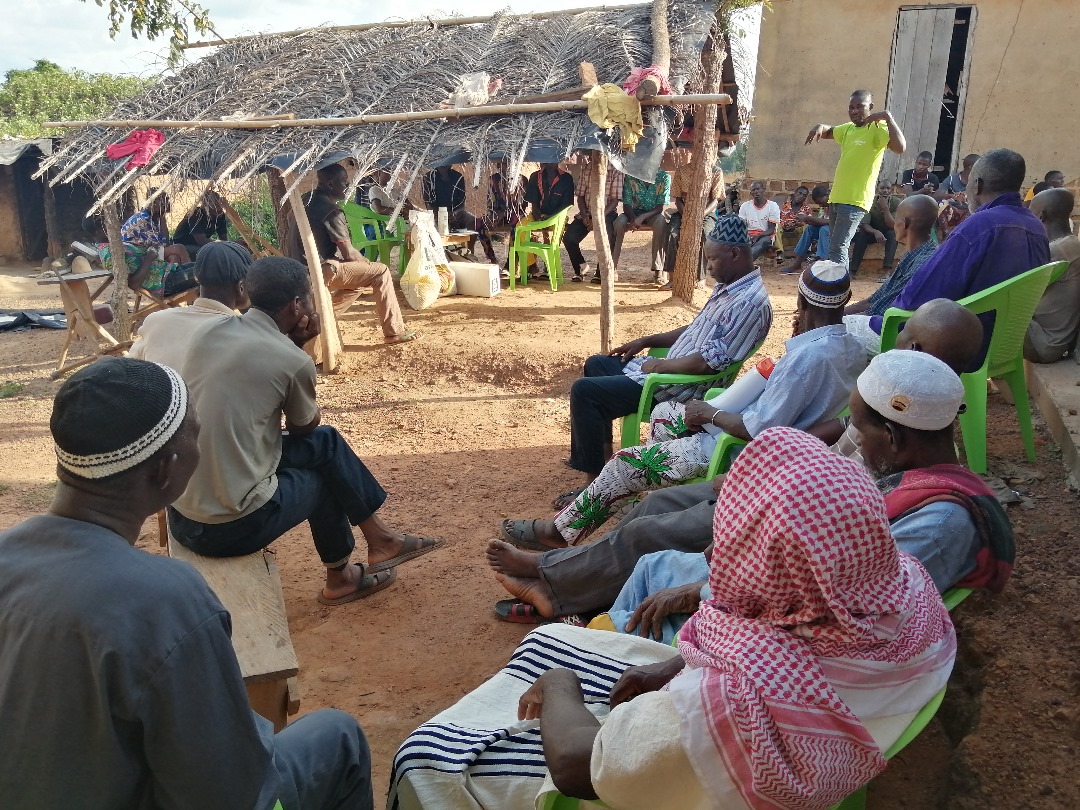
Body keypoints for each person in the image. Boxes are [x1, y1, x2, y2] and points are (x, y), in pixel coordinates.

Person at [391, 427, 956, 810]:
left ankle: (558, 606)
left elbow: (576, 765)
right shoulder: (908, 592)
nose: (722, 549)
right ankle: (562, 591)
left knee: (421, 758)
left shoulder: (730, 706)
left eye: (734, 537)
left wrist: (561, 686)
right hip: (841, 719)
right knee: (638, 579)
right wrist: (670, 671)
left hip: (674, 775)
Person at [0, 357, 373, 809]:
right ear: (165, 469)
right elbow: (229, 791)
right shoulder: (168, 599)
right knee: (339, 736)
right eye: (197, 433)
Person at [486, 298, 986, 623]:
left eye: (903, 338)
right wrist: (766, 466)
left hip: (789, 523)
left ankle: (557, 586)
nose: (892, 342)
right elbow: (835, 435)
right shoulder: (905, 412)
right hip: (787, 487)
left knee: (648, 533)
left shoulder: (930, 504)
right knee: (653, 504)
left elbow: (840, 586)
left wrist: (716, 571)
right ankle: (564, 575)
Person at [603, 350, 1015, 644]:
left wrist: (704, 591)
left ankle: (606, 655)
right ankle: (605, 643)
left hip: (793, 637)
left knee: (620, 624)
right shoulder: (912, 478)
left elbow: (846, 606)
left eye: (858, 427)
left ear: (891, 436)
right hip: (783, 594)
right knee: (653, 566)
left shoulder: (941, 524)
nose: (852, 437)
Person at [500, 259, 864, 550]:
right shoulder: (852, 347)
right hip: (786, 442)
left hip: (739, 450)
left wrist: (712, 413)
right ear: (844, 302)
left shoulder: (806, 360)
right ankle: (648, 499)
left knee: (624, 462)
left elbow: (755, 429)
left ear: (800, 302)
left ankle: (560, 532)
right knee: (664, 414)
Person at [167, 257, 441, 605]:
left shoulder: (210, 331)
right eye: (310, 296)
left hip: (181, 512)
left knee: (326, 445)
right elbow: (303, 426)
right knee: (325, 475)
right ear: (297, 305)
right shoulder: (291, 359)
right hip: (227, 529)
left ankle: (382, 540)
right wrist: (297, 351)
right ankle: (342, 577)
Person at [557, 215, 772, 503]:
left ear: (734, 253)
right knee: (596, 364)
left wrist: (662, 365)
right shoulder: (729, 286)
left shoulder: (750, 303)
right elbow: (696, 329)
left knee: (585, 393)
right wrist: (649, 341)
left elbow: (709, 363)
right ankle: (603, 463)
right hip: (665, 371)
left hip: (681, 385)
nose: (708, 266)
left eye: (712, 259)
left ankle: (595, 487)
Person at [850, 148, 1051, 366]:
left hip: (956, 349)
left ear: (978, 185)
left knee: (836, 327)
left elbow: (916, 300)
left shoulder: (979, 227)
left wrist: (877, 321)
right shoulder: (1036, 228)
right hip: (1003, 347)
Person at [303, 163, 416, 343]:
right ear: (331, 184)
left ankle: (323, 318)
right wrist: (367, 263)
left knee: (359, 280)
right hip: (320, 270)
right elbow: (349, 254)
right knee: (381, 272)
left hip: (299, 268)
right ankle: (394, 332)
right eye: (344, 182)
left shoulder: (305, 199)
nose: (348, 187)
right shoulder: (331, 211)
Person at [805, 89, 907, 266]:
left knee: (839, 248)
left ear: (871, 107)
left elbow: (900, 148)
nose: (854, 111)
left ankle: (838, 289)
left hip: (855, 200)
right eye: (851, 107)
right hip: (837, 198)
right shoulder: (848, 129)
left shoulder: (877, 128)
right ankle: (836, 286)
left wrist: (888, 118)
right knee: (834, 247)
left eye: (860, 106)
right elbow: (830, 131)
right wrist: (820, 126)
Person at [128, 241, 253, 369]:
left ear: (197, 279)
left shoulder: (155, 322)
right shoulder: (249, 338)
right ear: (241, 287)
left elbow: (129, 370)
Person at [845, 193, 938, 317]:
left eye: (896, 218)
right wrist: (838, 315)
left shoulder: (923, 263)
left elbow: (877, 312)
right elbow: (873, 300)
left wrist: (838, 320)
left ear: (905, 224)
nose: (894, 224)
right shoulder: (915, 254)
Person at [660, 141, 726, 289]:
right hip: (683, 210)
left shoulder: (716, 171)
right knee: (672, 234)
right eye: (697, 151)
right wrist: (687, 215)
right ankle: (672, 278)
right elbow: (677, 198)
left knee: (704, 235)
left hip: (706, 213)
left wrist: (699, 215)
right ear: (692, 152)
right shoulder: (682, 170)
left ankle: (700, 277)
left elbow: (715, 200)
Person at [1025, 188, 1080, 363]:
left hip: (1042, 342)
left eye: (1030, 213)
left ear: (1041, 216)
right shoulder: (1071, 245)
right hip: (1051, 341)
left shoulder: (1055, 252)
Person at [563, 152, 623, 282]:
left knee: (608, 236)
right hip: (587, 212)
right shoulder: (587, 168)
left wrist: (598, 217)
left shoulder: (615, 170)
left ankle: (600, 272)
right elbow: (580, 195)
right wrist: (584, 214)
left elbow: (614, 201)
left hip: (606, 213)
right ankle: (580, 268)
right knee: (569, 238)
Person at [421, 165, 497, 263]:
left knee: (475, 223)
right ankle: (444, 259)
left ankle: (474, 255)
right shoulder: (428, 178)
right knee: (439, 231)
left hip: (457, 212)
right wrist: (443, 215)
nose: (444, 165)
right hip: (437, 214)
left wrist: (454, 213)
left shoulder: (458, 177)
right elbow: (428, 203)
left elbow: (461, 200)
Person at [612, 166, 672, 280]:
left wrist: (642, 217)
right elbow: (627, 204)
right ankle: (612, 267)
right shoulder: (631, 176)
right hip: (631, 214)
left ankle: (658, 269)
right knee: (619, 222)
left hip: (652, 214)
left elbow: (660, 208)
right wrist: (634, 219)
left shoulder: (664, 177)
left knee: (661, 222)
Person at [518, 162, 576, 279]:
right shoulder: (535, 176)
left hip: (558, 215)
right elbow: (534, 202)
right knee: (520, 227)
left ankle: (549, 267)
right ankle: (531, 264)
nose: (546, 163)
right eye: (543, 160)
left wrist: (549, 219)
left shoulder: (566, 178)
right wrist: (539, 218)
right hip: (538, 214)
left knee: (556, 234)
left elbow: (566, 205)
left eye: (550, 160)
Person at [849, 180, 902, 278]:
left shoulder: (896, 203)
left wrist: (885, 208)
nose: (885, 191)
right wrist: (875, 232)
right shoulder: (869, 202)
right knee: (862, 235)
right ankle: (853, 270)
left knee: (893, 234)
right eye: (882, 188)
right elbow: (864, 224)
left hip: (888, 230)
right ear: (877, 189)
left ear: (891, 190)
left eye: (888, 188)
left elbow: (892, 225)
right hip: (872, 231)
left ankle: (887, 270)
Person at [777, 184, 831, 274]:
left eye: (820, 202)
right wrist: (808, 221)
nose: (820, 205)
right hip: (829, 228)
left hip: (839, 230)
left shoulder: (836, 204)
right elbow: (821, 220)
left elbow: (831, 222)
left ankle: (822, 262)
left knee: (824, 229)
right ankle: (797, 264)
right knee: (810, 229)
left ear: (827, 194)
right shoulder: (825, 206)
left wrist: (808, 218)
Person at [934, 152, 979, 238]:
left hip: (969, 212)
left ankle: (958, 236)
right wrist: (951, 196)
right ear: (971, 167)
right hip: (953, 212)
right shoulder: (952, 179)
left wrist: (967, 195)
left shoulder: (978, 181)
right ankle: (946, 234)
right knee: (940, 204)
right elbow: (935, 196)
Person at [172, 190, 229, 257]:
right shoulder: (195, 214)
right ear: (205, 205)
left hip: (201, 246)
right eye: (215, 204)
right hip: (183, 246)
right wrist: (223, 244)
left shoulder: (220, 215)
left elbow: (224, 239)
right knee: (212, 252)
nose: (219, 208)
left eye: (219, 204)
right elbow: (202, 241)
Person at [737, 180, 781, 259]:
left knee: (762, 242)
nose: (756, 192)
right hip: (749, 235)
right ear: (751, 193)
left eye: (758, 189)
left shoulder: (772, 206)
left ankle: (746, 262)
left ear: (763, 190)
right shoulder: (745, 206)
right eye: (753, 190)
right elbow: (742, 226)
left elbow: (771, 229)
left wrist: (758, 236)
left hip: (765, 236)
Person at [775, 184, 810, 262]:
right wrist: (784, 226)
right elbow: (777, 218)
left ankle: (806, 252)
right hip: (784, 228)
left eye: (804, 195)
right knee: (776, 226)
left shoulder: (806, 209)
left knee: (808, 227)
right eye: (800, 193)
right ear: (795, 193)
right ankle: (779, 253)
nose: (801, 196)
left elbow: (808, 221)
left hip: (797, 229)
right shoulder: (783, 206)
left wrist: (797, 225)